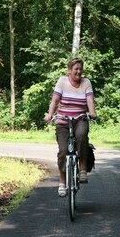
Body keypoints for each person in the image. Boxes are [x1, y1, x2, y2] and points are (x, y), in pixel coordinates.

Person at [44, 57, 97, 197]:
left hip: (80, 118)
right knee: (63, 151)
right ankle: (62, 182)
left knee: (81, 136)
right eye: (76, 69)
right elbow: (55, 100)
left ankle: (83, 169)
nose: (78, 72)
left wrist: (92, 112)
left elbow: (90, 99)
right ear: (70, 70)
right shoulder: (62, 81)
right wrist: (50, 114)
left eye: (80, 69)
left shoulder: (86, 82)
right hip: (63, 121)